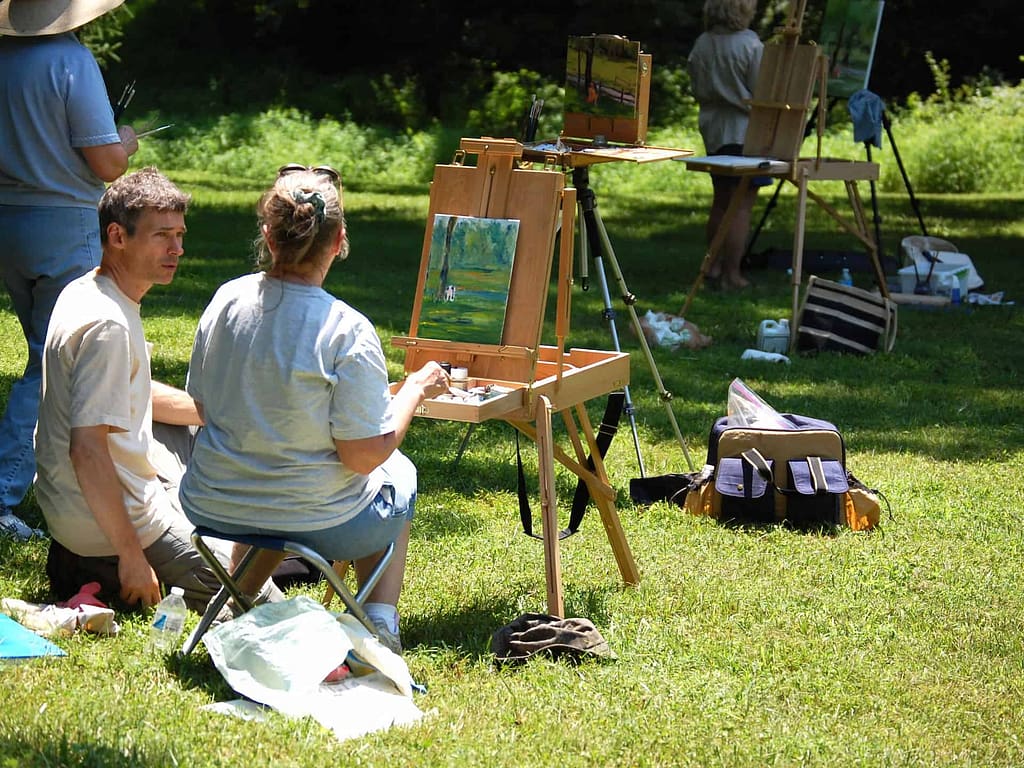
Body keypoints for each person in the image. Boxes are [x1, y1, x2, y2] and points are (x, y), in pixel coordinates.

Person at [179, 164, 449, 654]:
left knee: (272, 475)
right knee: (398, 472)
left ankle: (240, 598)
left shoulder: (225, 301)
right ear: (339, 239)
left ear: (269, 234)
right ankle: (379, 624)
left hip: (214, 502)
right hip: (315, 518)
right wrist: (412, 390)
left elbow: (203, 402)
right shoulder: (346, 329)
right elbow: (364, 456)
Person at [35, 167, 238, 613]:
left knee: (193, 436)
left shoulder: (87, 290)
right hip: (107, 526)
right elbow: (86, 449)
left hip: (71, 518)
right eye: (162, 235)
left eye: (180, 234)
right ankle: (115, 564)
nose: (177, 249)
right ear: (118, 236)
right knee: (250, 593)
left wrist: (215, 412)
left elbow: (131, 394)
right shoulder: (107, 325)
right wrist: (131, 555)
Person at [0, 0, 139, 541]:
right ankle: (8, 493)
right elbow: (107, 164)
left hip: (10, 219)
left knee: (44, 349)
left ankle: (54, 480)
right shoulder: (69, 60)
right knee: (54, 360)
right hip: (63, 220)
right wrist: (125, 141)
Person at [687, 0, 764, 290]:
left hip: (713, 128)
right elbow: (762, 90)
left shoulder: (702, 43)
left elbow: (695, 86)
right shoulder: (749, 44)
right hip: (744, 130)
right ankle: (733, 274)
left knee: (721, 201)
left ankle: (713, 266)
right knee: (741, 204)